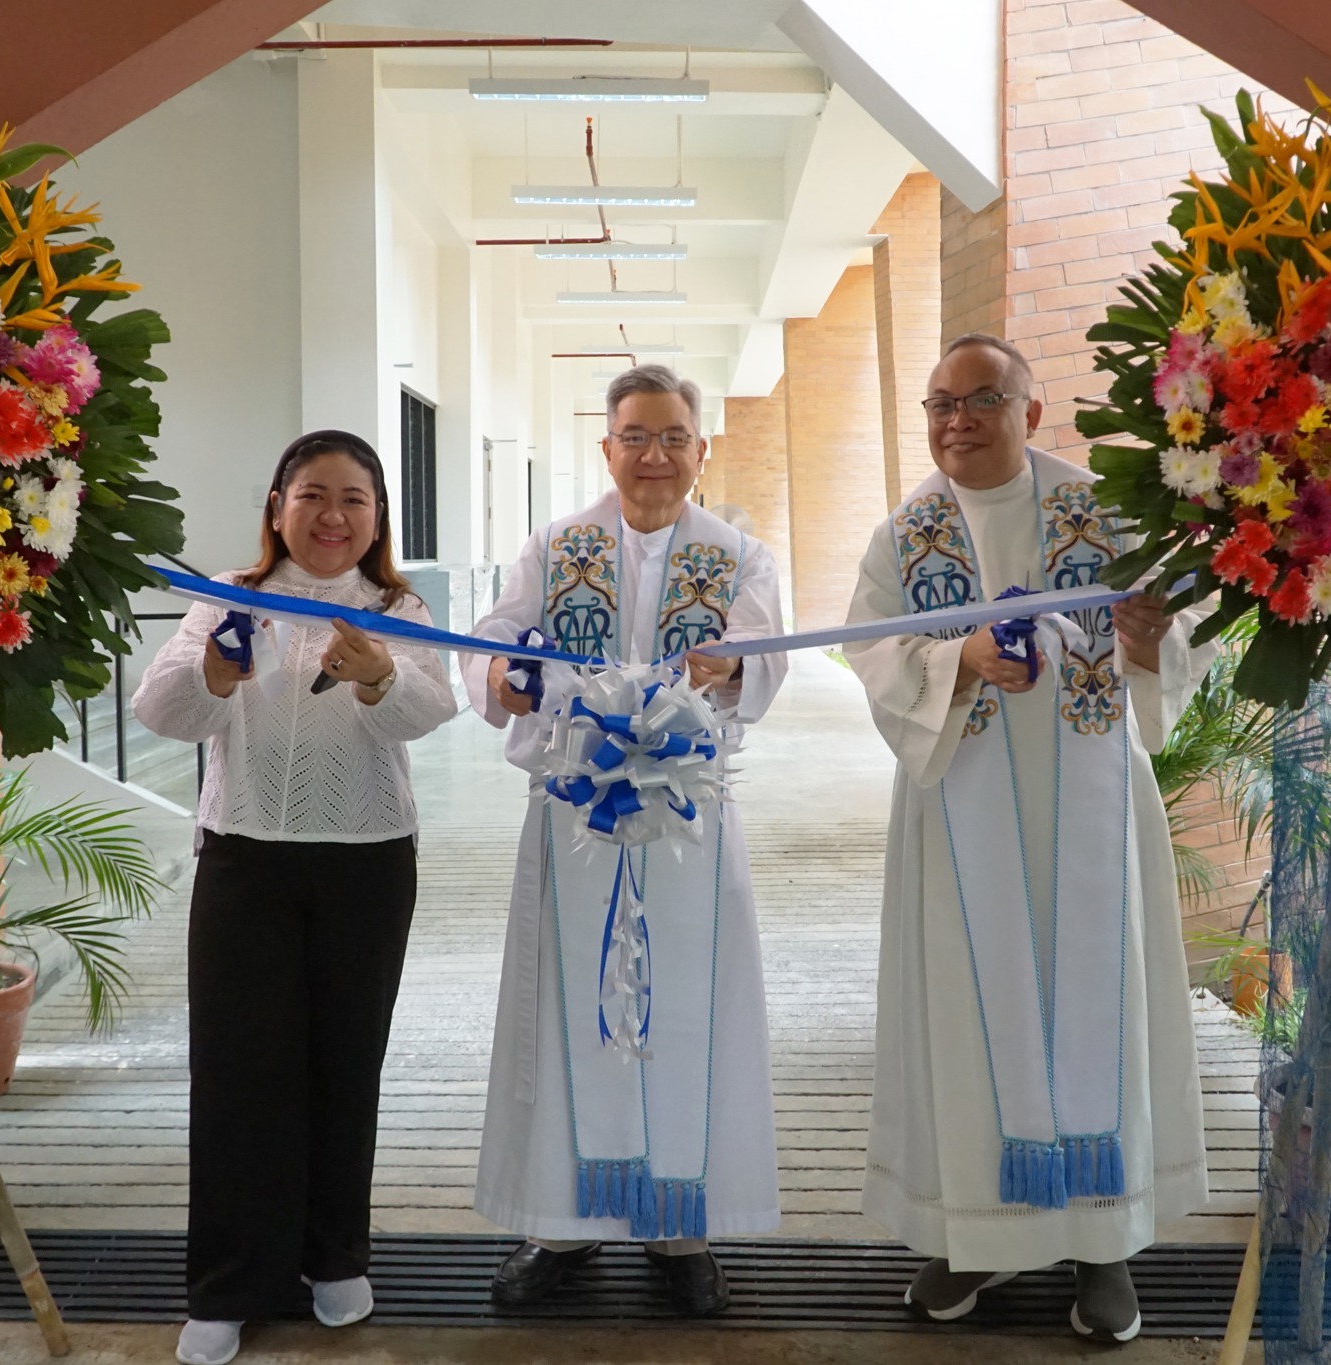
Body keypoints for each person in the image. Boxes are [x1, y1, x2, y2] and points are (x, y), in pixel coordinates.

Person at [844, 335, 1211, 1343]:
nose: (953, 419)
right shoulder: (904, 533)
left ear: (1031, 412)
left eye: (978, 399)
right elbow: (868, 650)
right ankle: (970, 1236)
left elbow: (1169, 644)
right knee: (962, 1015)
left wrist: (1144, 641)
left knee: (1098, 1006)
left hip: (1088, 805)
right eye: (937, 403)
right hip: (955, 813)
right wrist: (955, 659)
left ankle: (1104, 1243)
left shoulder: (1106, 514)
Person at [463, 364, 788, 1316]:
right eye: (635, 437)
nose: (654, 456)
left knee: (688, 1008)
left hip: (689, 818)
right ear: (606, 447)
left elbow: (761, 658)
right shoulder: (557, 546)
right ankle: (558, 1220)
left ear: (701, 448)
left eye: (673, 437)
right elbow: (499, 636)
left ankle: (679, 1227)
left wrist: (732, 667)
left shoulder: (740, 557)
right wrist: (505, 672)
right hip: (576, 819)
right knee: (569, 1012)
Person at [132, 430, 457, 1365]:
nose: (333, 516)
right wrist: (216, 673)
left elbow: (435, 711)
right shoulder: (230, 598)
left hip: (367, 859)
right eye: (313, 494)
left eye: (354, 498)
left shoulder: (396, 605)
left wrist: (381, 675)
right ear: (278, 505)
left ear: (377, 517)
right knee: (240, 1074)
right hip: (245, 860)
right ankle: (230, 1284)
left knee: (345, 1063)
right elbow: (162, 709)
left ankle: (333, 1258)